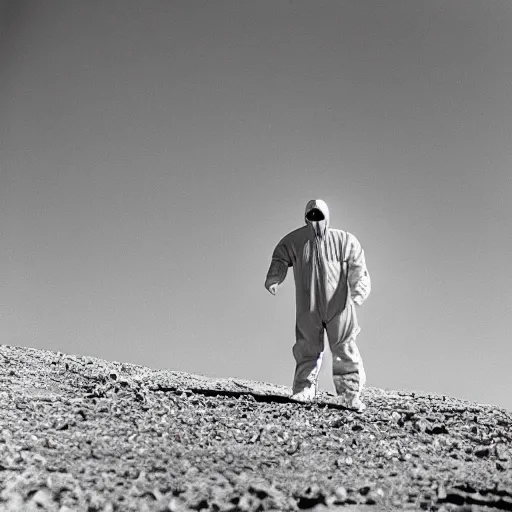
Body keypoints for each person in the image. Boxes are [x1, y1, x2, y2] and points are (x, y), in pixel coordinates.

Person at [264, 199, 371, 412]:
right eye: (311, 215)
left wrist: (359, 292)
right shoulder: (295, 240)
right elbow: (279, 257)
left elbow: (358, 266)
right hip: (308, 305)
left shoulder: (343, 240)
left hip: (339, 307)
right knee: (307, 347)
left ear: (326, 216)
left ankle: (349, 395)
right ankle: (304, 389)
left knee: (345, 349)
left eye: (318, 215)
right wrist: (274, 278)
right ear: (305, 217)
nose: (315, 220)